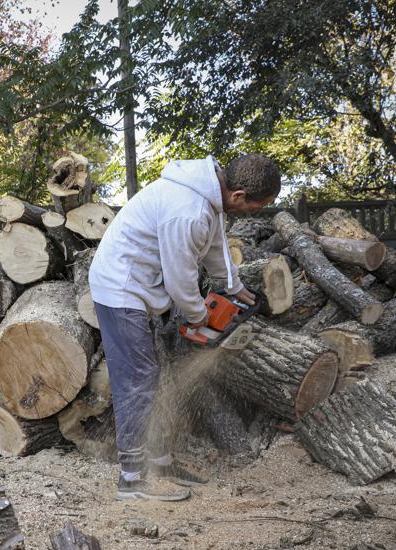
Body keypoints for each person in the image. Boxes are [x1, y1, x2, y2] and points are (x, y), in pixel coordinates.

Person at [88, 154, 281, 501]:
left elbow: (216, 249)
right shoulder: (188, 211)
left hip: (140, 285)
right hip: (120, 286)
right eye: (257, 206)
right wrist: (198, 316)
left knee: (153, 374)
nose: (256, 212)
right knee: (138, 378)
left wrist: (235, 287)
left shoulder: (209, 200)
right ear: (238, 195)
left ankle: (159, 463)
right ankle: (132, 479)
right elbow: (180, 280)